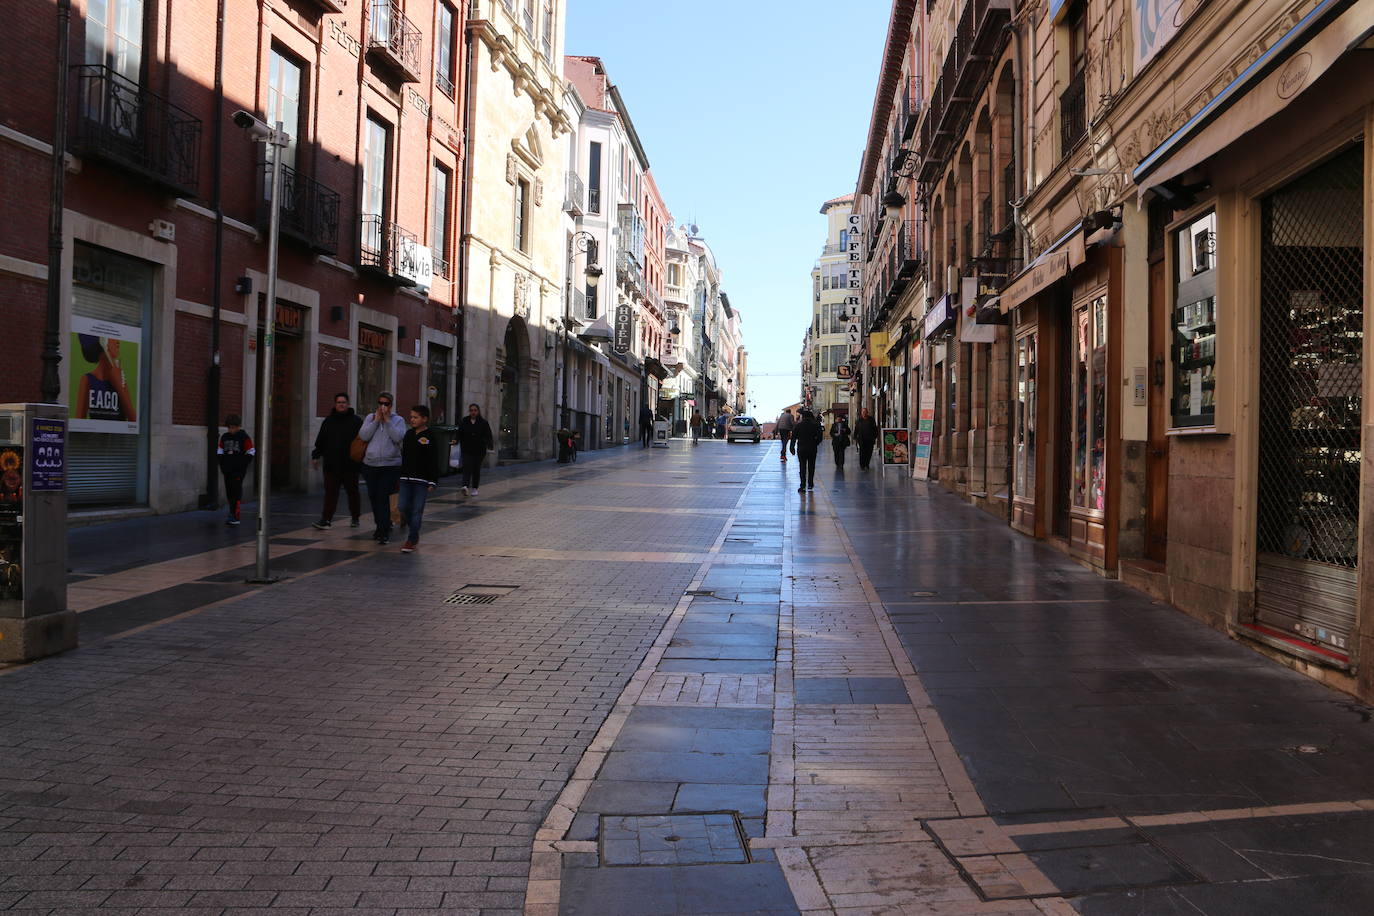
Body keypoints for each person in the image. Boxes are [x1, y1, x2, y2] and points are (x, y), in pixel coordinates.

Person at [359, 391, 406, 545]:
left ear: (391, 405)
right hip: (371, 465)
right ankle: (380, 526)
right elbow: (364, 436)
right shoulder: (370, 418)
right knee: (373, 498)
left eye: (386, 404)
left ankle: (384, 530)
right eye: (380, 403)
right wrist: (376, 421)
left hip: (390, 466)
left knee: (383, 497)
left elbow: (398, 437)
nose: (383, 406)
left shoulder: (398, 420)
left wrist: (387, 421)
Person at [311, 392, 363, 529]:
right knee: (330, 493)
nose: (341, 405)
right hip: (331, 464)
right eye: (339, 402)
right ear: (335, 404)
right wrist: (316, 455)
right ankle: (326, 519)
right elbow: (321, 440)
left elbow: (363, 442)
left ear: (348, 404)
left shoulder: (357, 421)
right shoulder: (328, 421)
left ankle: (355, 517)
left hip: (350, 465)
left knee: (353, 492)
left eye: (343, 402)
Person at [397, 405, 443, 554]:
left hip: (422, 481)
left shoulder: (430, 436)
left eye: (416, 417)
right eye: (411, 417)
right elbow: (404, 456)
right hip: (405, 478)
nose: (412, 420)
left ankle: (411, 539)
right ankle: (414, 532)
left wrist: (432, 480)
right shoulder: (409, 434)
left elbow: (433, 460)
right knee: (402, 506)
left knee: (417, 510)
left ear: (424, 419)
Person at [75, 334, 137, 423]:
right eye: (111, 336)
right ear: (102, 341)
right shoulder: (87, 380)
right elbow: (79, 423)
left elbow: (133, 421)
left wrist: (121, 387)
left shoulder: (119, 376)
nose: (117, 341)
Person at [217, 414, 255, 526]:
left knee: (236, 492)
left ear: (238, 426)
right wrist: (222, 464)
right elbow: (219, 451)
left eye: (233, 427)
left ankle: (235, 515)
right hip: (227, 469)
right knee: (229, 492)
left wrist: (242, 465)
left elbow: (251, 452)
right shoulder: (224, 437)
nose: (231, 430)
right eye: (229, 427)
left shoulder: (244, 437)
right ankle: (231, 513)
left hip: (238, 470)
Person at [456, 403, 495, 496]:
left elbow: (488, 435)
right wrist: (456, 440)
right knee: (467, 467)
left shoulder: (483, 422)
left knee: (476, 469)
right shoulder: (464, 421)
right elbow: (459, 433)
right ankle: (465, 486)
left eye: (475, 410)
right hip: (467, 449)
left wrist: (489, 445)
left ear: (478, 411)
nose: (473, 412)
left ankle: (474, 487)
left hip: (479, 450)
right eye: (471, 410)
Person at [790, 408, 824, 492]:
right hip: (812, 448)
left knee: (802, 467)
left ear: (803, 417)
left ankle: (802, 485)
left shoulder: (798, 425)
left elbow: (793, 437)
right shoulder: (816, 425)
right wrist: (815, 443)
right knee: (811, 466)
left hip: (801, 448)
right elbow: (820, 437)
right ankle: (810, 484)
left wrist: (792, 448)